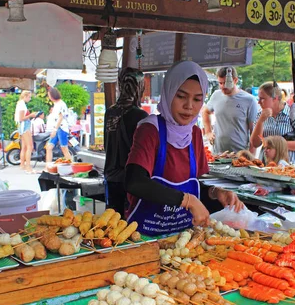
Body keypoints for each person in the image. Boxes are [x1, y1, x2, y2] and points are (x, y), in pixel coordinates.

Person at [125, 61, 244, 235]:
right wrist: (187, 201)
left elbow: (194, 187)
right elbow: (134, 182)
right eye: (181, 96)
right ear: (168, 93)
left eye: (197, 99)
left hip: (182, 238)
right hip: (144, 236)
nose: (189, 106)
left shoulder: (194, 134)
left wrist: (215, 193)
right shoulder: (150, 130)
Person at [104, 68, 148, 215]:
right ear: (139, 87)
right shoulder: (140, 115)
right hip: (130, 179)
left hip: (110, 176)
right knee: (129, 221)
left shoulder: (110, 111)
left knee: (112, 221)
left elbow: (106, 144)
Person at [201, 66, 258, 154]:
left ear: (235, 80)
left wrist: (251, 156)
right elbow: (205, 111)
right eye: (220, 83)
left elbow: (253, 131)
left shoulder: (249, 100)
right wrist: (208, 132)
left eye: (226, 83)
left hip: (240, 154)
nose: (223, 86)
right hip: (218, 153)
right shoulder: (216, 95)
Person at [250, 82, 295, 166]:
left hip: (291, 166)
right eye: (259, 99)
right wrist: (260, 121)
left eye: (262, 99)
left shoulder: (294, 113)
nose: (259, 102)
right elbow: (255, 143)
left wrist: (278, 145)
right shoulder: (260, 115)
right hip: (267, 166)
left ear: (274, 99)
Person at [45, 87, 72, 167]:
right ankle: (48, 167)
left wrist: (55, 129)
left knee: (64, 148)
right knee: (49, 147)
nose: (49, 97)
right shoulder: (57, 104)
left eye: (49, 95)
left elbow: (61, 117)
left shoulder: (60, 104)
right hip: (58, 128)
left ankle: (71, 167)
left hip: (61, 128)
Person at [15, 91, 37, 173]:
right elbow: (21, 118)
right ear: (25, 96)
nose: (30, 99)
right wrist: (31, 115)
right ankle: (28, 167)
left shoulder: (20, 104)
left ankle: (22, 165)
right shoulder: (21, 105)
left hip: (22, 126)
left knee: (24, 147)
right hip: (24, 126)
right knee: (29, 146)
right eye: (29, 97)